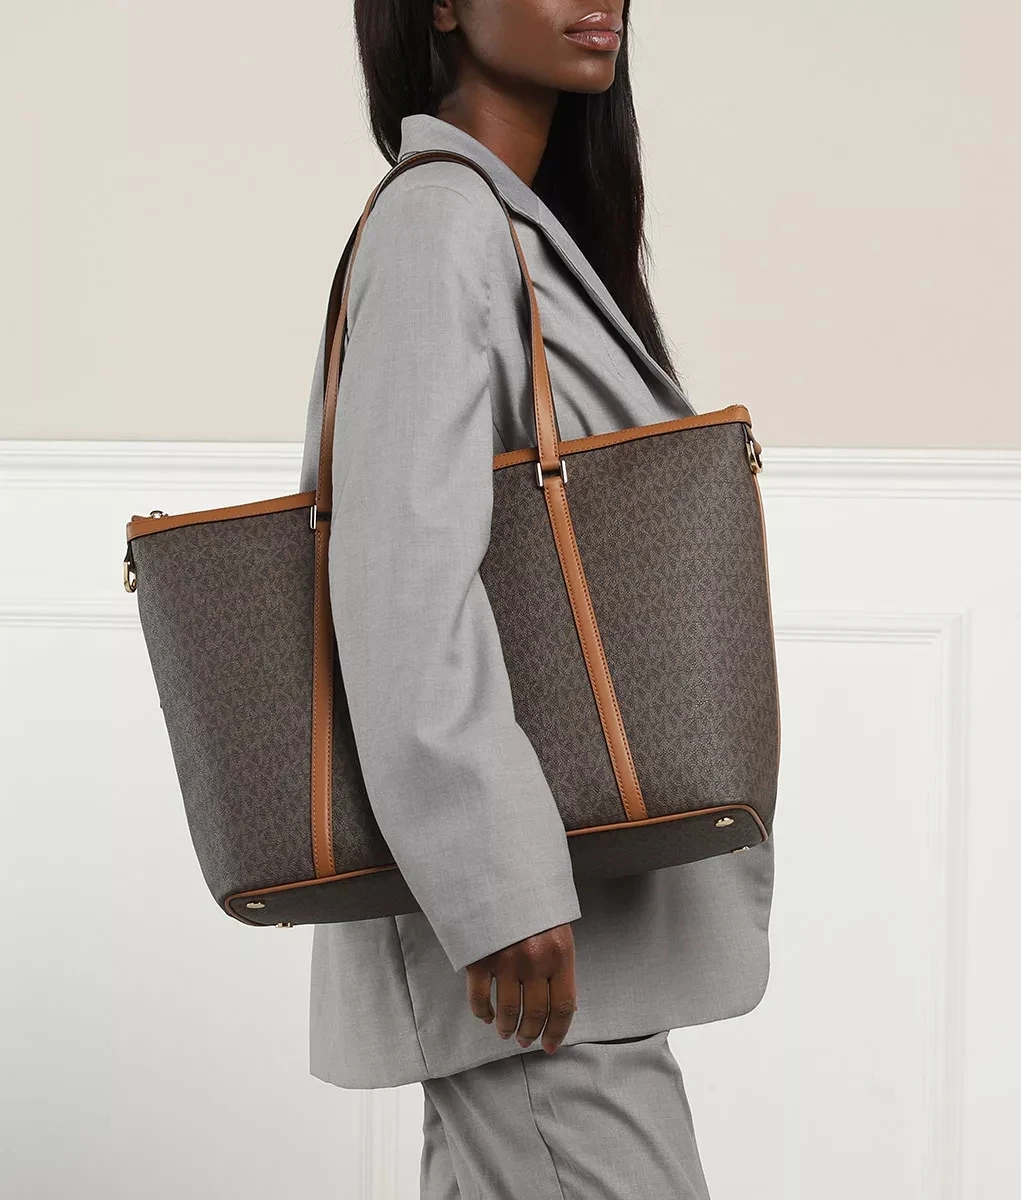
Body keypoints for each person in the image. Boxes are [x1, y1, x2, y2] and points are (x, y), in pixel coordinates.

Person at [296, 2, 775, 1195]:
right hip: (534, 946)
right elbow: (400, 578)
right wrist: (495, 889)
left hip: (564, 936)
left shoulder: (514, 229)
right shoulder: (440, 224)